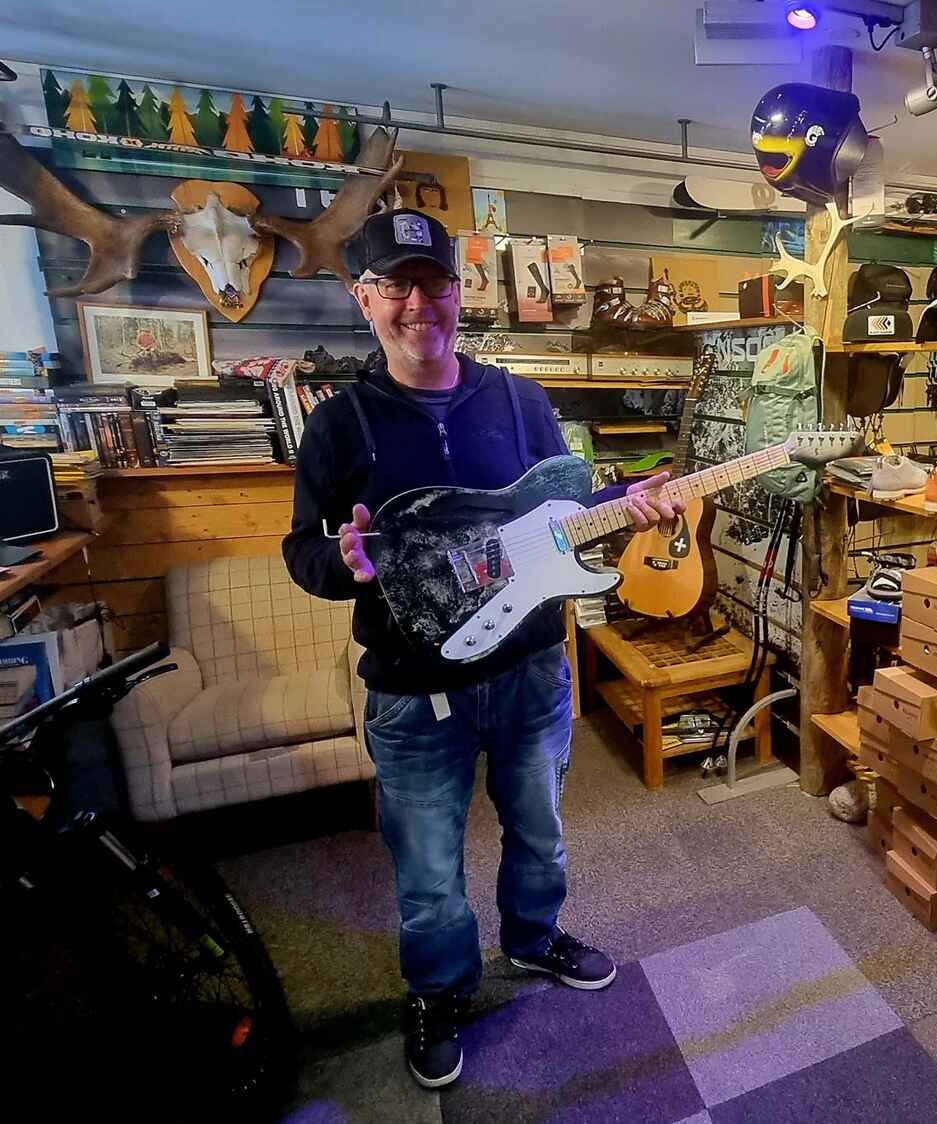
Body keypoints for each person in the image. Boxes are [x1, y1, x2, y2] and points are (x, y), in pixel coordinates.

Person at [282, 209, 681, 1088]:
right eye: (398, 285)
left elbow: (559, 507)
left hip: (533, 669)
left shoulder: (519, 398)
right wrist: (341, 565)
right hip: (414, 691)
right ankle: (439, 991)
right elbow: (302, 549)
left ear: (460, 295)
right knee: (428, 871)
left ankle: (534, 942)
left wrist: (625, 498)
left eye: (435, 284)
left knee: (539, 835)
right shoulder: (339, 424)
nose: (419, 304)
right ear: (366, 299)